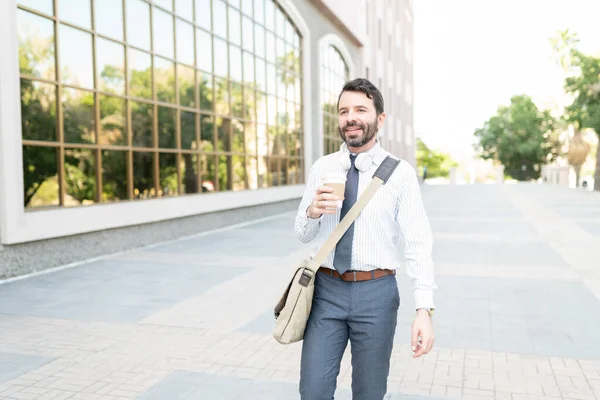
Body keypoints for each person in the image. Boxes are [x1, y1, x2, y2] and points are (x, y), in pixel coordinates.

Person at [294, 78, 437, 399]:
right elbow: (303, 233)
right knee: (313, 391)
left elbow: (418, 242)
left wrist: (423, 310)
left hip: (376, 294)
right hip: (326, 292)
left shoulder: (400, 173)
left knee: (369, 393)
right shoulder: (323, 167)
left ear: (379, 119)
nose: (350, 117)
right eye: (344, 111)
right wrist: (313, 211)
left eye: (360, 109)